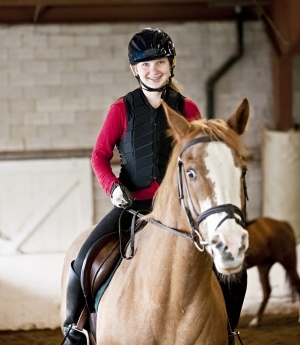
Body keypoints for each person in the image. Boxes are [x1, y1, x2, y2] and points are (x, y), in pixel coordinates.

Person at [62, 27, 247, 345]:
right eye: (145, 64)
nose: (153, 70)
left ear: (171, 64)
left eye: (159, 62)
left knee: (233, 272)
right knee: (84, 258)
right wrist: (113, 187)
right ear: (135, 69)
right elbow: (100, 155)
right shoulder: (121, 109)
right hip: (132, 206)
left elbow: (199, 160)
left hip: (181, 210)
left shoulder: (188, 109)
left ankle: (230, 330)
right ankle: (74, 329)